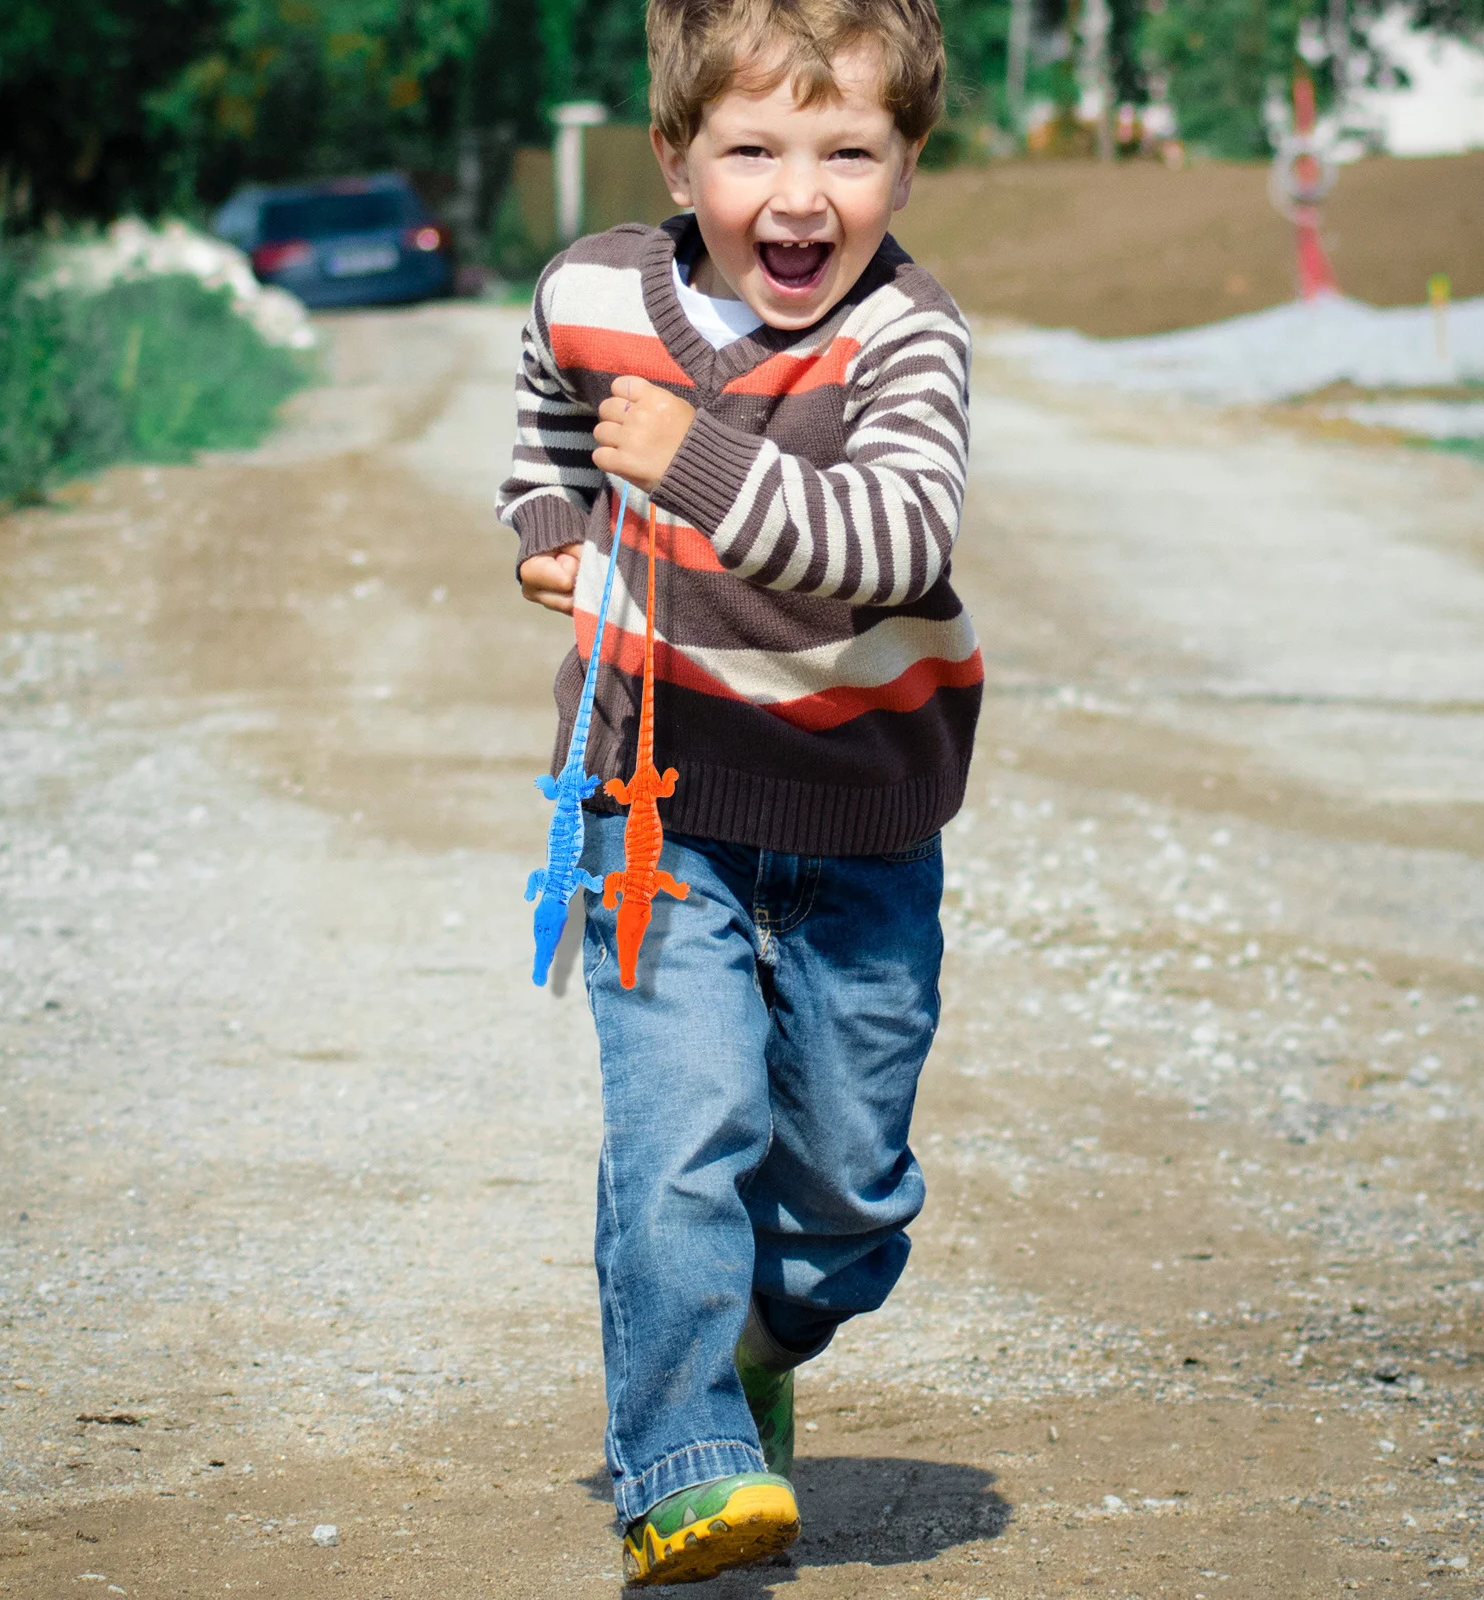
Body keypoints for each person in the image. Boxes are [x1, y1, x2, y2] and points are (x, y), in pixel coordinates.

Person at [496, 0, 981, 1583]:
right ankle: (683, 1457)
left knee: (849, 1194)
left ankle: (753, 1334)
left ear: (906, 168)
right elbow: (550, 416)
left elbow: (894, 542)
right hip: (655, 799)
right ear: (675, 157)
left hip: (858, 821)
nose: (800, 193)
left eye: (849, 151)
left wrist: (691, 460)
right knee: (680, 1131)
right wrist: (552, 522)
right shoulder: (589, 290)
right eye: (753, 149)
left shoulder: (908, 340)